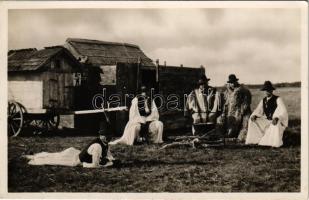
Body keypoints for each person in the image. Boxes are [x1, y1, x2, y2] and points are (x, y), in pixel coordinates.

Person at [24, 134, 115, 168]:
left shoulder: (105, 143)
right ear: (100, 135)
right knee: (54, 158)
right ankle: (33, 157)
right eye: (105, 135)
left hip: (75, 153)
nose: (108, 138)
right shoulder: (97, 146)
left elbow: (109, 156)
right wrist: (83, 164)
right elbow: (95, 165)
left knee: (55, 155)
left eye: (109, 135)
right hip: (74, 159)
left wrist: (111, 161)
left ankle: (34, 155)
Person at [245, 81, 288, 147]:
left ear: (272, 90)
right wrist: (254, 115)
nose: (267, 92)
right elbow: (258, 109)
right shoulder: (263, 100)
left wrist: (277, 117)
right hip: (266, 120)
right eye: (265, 90)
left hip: (274, 121)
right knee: (252, 120)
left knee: (275, 125)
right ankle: (255, 140)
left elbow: (283, 111)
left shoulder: (278, 99)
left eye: (268, 90)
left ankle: (271, 142)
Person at [223, 74, 252, 142]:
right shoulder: (227, 92)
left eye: (233, 82)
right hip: (232, 112)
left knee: (245, 123)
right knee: (230, 126)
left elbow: (246, 101)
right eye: (230, 83)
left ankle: (241, 137)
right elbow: (226, 103)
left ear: (236, 82)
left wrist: (242, 110)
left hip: (242, 111)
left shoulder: (243, 90)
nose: (232, 84)